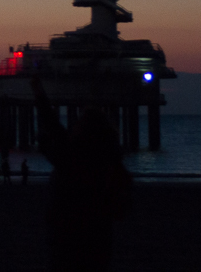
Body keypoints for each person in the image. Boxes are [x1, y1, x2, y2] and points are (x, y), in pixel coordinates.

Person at [32, 77, 131, 272]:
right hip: (99, 236)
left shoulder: (74, 156)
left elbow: (53, 126)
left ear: (84, 130)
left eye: (79, 123)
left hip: (67, 235)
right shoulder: (110, 161)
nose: (74, 125)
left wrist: (38, 93)